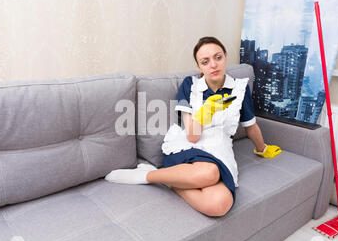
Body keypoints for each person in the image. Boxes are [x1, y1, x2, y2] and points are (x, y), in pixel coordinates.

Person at [105, 36, 281, 217]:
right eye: (205, 61)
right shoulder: (190, 86)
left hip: (220, 149)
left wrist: (262, 148)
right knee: (210, 172)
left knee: (218, 205)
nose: (213, 65)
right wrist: (206, 111)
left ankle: (169, 181)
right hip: (189, 145)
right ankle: (145, 177)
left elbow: (250, 126)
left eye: (218, 57)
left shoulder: (240, 89)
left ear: (225, 57)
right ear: (199, 67)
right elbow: (192, 136)